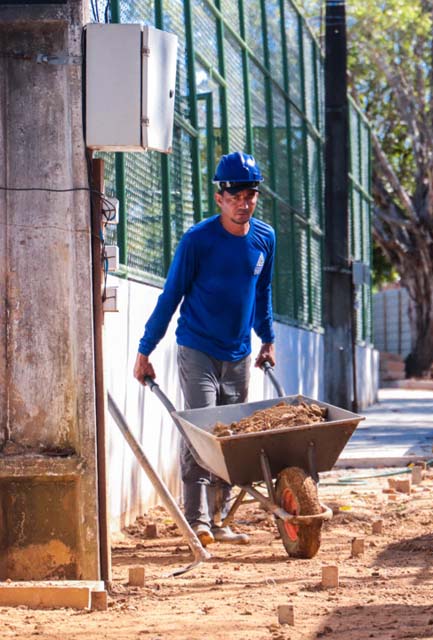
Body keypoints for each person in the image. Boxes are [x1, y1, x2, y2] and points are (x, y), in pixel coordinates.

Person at [133, 151, 277, 546]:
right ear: (220, 198)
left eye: (250, 195)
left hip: (240, 353)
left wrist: (268, 340)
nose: (243, 204)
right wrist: (146, 350)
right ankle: (197, 520)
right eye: (235, 196)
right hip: (196, 348)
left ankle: (220, 520)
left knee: (230, 436)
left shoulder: (265, 238)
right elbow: (170, 296)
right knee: (201, 428)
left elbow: (261, 294)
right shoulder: (198, 240)